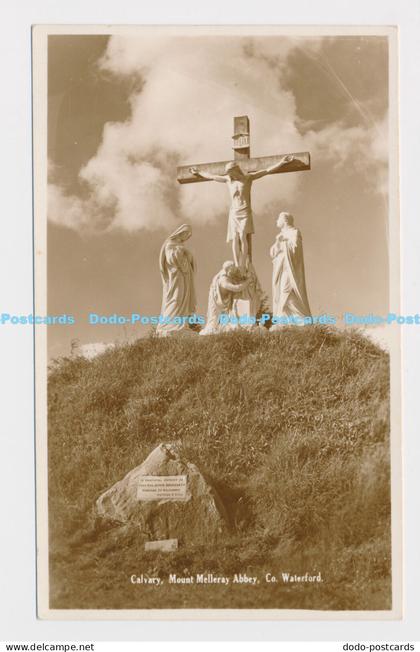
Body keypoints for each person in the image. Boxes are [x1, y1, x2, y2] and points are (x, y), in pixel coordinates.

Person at [190, 155, 294, 270]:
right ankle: (236, 263)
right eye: (228, 172)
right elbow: (212, 176)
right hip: (234, 212)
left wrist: (281, 163)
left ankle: (243, 263)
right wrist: (199, 172)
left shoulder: (248, 178)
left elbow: (266, 171)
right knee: (235, 237)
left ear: (235, 170)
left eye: (230, 172)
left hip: (244, 211)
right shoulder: (228, 180)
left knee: (242, 235)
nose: (229, 174)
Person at [270, 212, 311, 326]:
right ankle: (285, 320)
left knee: (286, 290)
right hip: (281, 268)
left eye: (278, 218)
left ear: (285, 220)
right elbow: (273, 253)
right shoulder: (281, 235)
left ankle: (301, 319)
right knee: (282, 291)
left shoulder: (294, 232)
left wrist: (284, 242)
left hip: (290, 269)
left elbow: (295, 250)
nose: (276, 221)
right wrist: (279, 242)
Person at [157, 224, 196, 337]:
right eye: (186, 233)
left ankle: (181, 324)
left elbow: (189, 260)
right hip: (175, 276)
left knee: (184, 298)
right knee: (176, 297)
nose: (186, 237)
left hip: (184, 276)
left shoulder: (180, 245)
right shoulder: (170, 244)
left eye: (188, 235)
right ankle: (169, 324)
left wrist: (187, 254)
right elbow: (171, 259)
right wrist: (180, 250)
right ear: (180, 232)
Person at [200, 261, 251, 335]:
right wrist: (247, 282)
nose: (232, 272)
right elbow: (236, 288)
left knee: (227, 322)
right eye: (231, 270)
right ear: (226, 270)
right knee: (213, 324)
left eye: (233, 270)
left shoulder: (229, 277)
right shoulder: (223, 280)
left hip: (225, 304)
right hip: (217, 304)